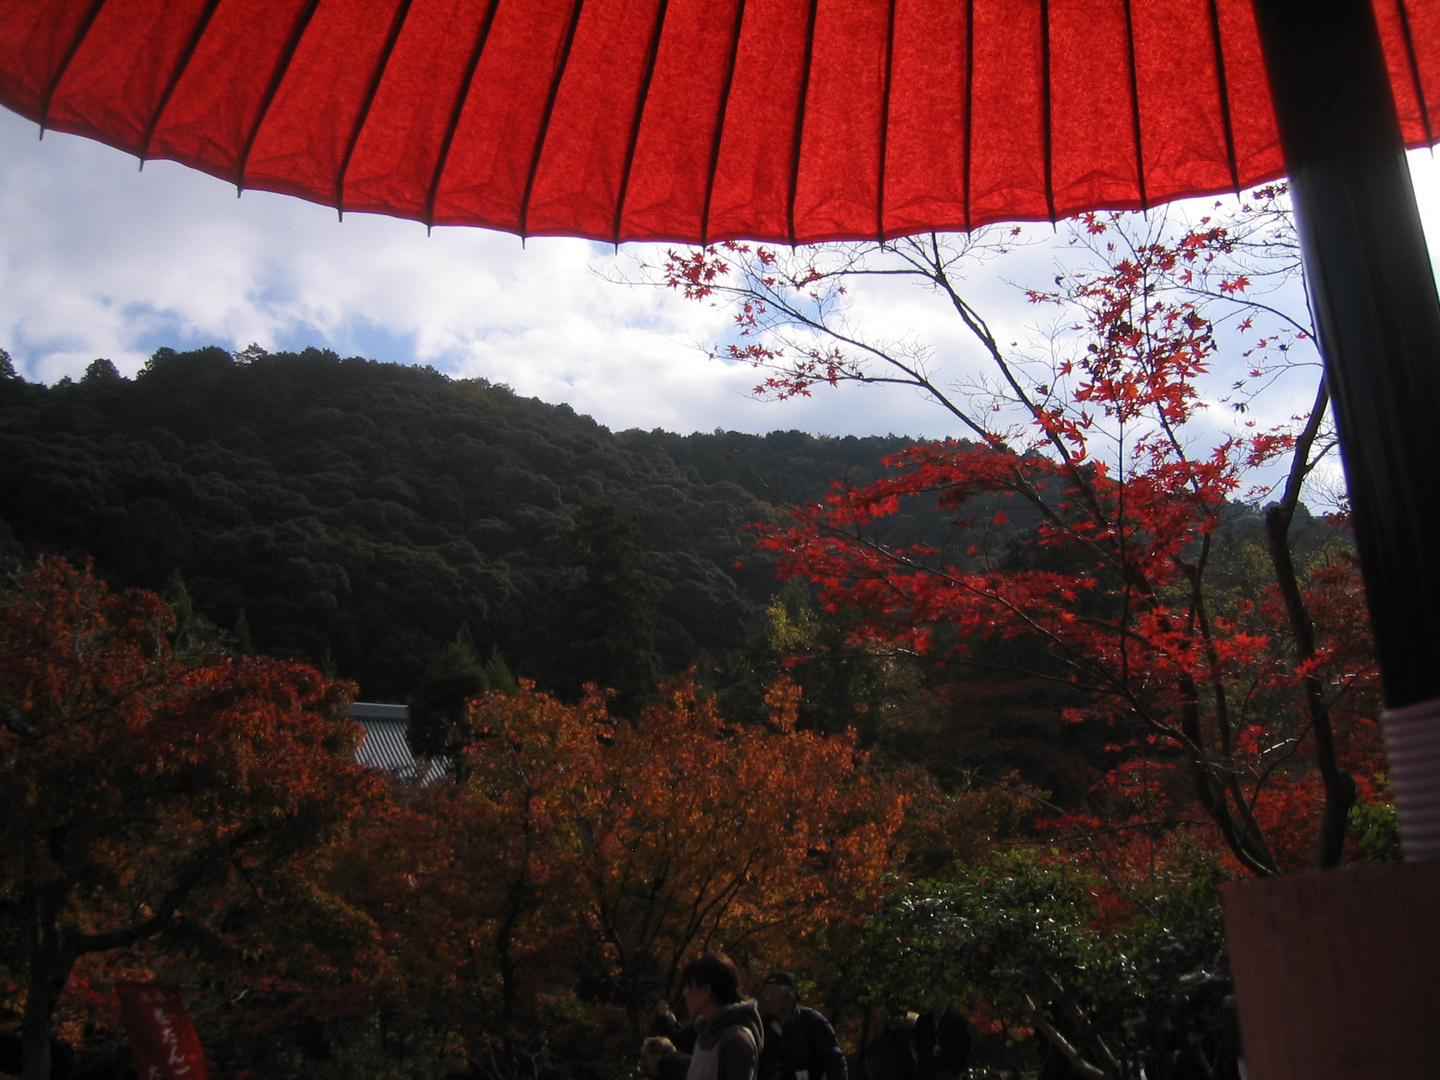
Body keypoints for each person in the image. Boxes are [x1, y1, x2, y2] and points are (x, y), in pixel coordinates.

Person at [680, 953, 765, 1080]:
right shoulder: (704, 1034)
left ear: (706, 991)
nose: (685, 993)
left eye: (689, 986)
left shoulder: (736, 1039)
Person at [756, 972, 848, 1080]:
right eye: (765, 994)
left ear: (790, 996)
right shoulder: (761, 1025)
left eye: (772, 993)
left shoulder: (813, 1023)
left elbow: (836, 1064)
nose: (767, 999)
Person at [912, 991, 970, 1080]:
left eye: (941, 997)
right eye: (935, 997)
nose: (937, 1000)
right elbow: (918, 1044)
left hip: (950, 1072)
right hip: (927, 1073)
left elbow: (965, 1048)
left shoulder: (958, 1022)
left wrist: (956, 1069)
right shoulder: (923, 1021)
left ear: (948, 998)